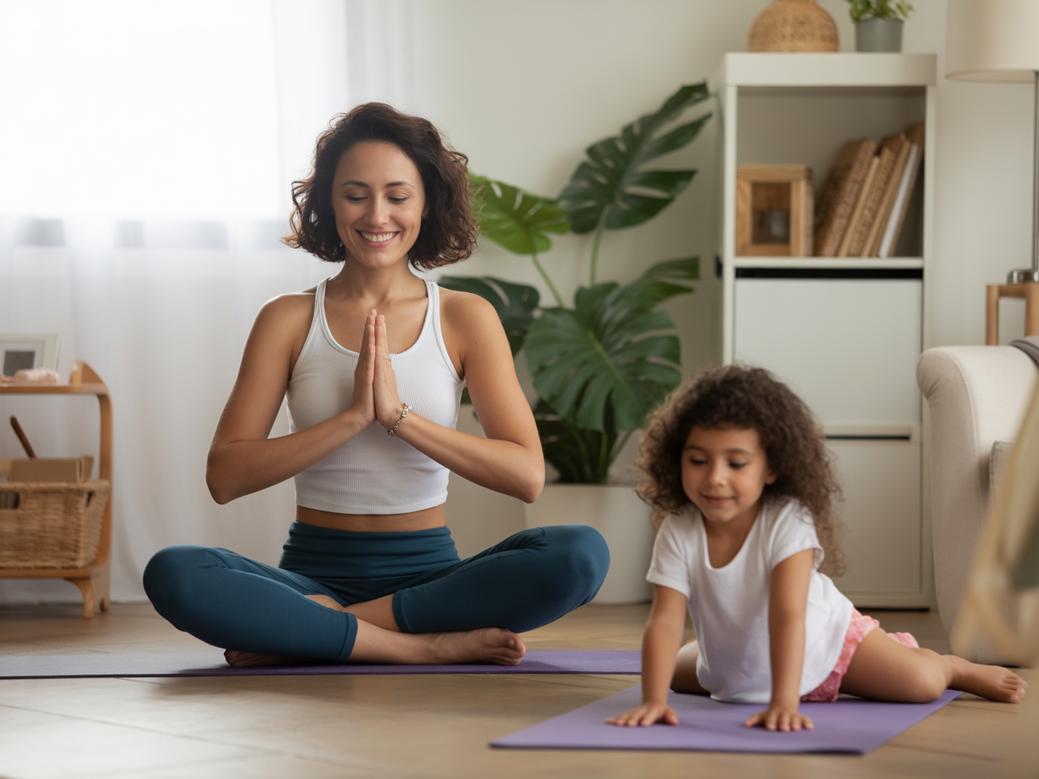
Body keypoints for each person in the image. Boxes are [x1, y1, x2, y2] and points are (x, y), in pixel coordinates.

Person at [143, 103, 609, 667]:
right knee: (174, 572)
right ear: (329, 202)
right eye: (355, 194)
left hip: (433, 583)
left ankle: (315, 632)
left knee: (580, 554)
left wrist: (399, 419)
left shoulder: (465, 317)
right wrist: (351, 419)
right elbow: (225, 475)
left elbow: (527, 475)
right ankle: (421, 648)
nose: (377, 215)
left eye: (397, 195)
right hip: (311, 577)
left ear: (427, 203)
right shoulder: (287, 319)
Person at [608, 365, 1026, 732]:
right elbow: (664, 621)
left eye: (736, 463)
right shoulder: (679, 529)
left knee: (921, 685)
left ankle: (953, 666)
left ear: (771, 467)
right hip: (734, 671)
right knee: (674, 673)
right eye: (698, 460)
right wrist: (653, 701)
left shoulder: (787, 520)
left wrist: (784, 703)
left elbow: (788, 615)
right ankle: (727, 656)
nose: (715, 478)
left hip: (822, 647)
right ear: (677, 459)